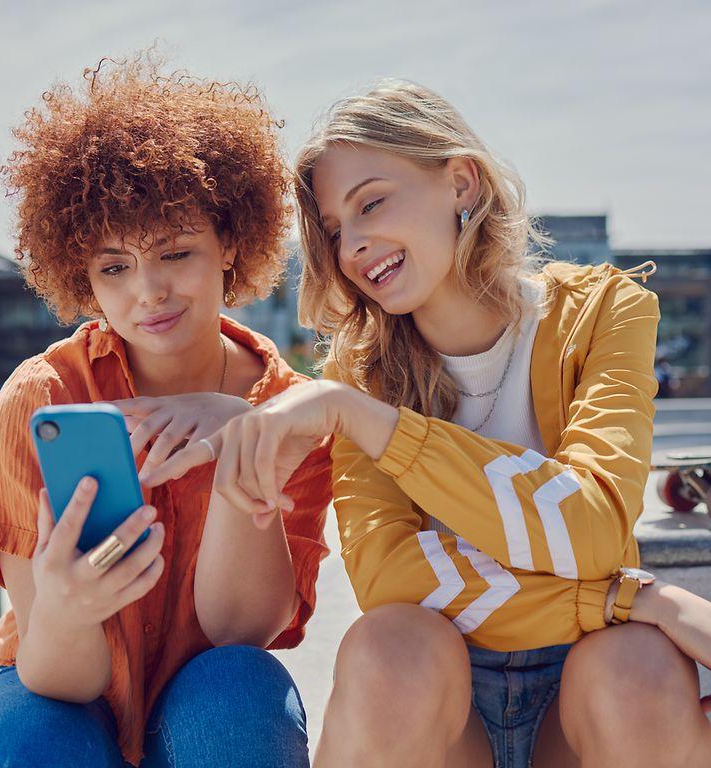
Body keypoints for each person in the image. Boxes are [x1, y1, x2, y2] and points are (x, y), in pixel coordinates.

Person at [131, 81, 711, 768]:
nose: (355, 247)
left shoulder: (606, 313)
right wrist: (622, 598)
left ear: (461, 182)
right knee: (388, 647)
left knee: (636, 667)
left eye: (371, 202)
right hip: (439, 712)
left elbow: (591, 527)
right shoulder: (358, 376)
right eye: (336, 230)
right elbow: (392, 581)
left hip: (585, 700)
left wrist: (379, 429)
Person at [0, 56, 332, 768]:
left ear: (231, 246)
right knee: (33, 737)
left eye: (175, 252)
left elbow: (238, 634)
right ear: (82, 278)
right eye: (114, 267)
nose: (147, 291)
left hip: (207, 690)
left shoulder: (290, 411)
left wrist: (239, 447)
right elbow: (60, 677)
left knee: (242, 693)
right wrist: (67, 606)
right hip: (47, 685)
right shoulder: (43, 397)